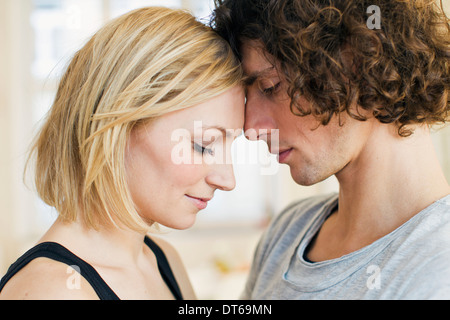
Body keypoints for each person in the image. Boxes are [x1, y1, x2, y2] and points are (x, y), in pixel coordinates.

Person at [0, 7, 244, 300]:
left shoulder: (163, 260)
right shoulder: (54, 291)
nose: (228, 179)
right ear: (117, 130)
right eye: (203, 145)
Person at [211, 0, 450, 299]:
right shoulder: (287, 233)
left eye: (270, 86)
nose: (250, 128)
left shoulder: (439, 271)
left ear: (358, 58)